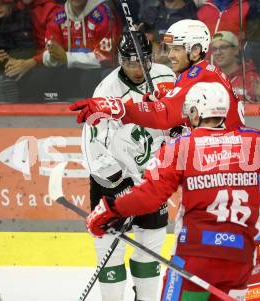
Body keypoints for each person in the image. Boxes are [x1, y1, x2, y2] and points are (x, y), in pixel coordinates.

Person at [85, 82, 260, 300]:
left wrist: (110, 210)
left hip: (196, 257)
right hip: (240, 260)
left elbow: (150, 196)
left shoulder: (181, 146)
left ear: (196, 112)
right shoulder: (253, 141)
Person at [81, 30, 175, 301]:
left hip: (153, 181)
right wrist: (121, 185)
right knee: (111, 252)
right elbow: (93, 148)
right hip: (113, 183)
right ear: (120, 60)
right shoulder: (106, 91)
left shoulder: (166, 77)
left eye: (142, 61)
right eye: (130, 62)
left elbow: (178, 116)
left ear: (151, 57)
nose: (137, 68)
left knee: (150, 247)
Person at [69, 19, 245, 131]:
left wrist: (116, 107)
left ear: (196, 50)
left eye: (176, 49)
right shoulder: (201, 72)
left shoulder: (199, 77)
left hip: (227, 167)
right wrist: (165, 99)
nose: (170, 56)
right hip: (225, 159)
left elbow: (163, 116)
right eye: (169, 49)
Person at [210, 30, 260, 102]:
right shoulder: (209, 77)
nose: (218, 53)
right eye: (214, 49)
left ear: (236, 50)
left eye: (223, 47)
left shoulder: (251, 78)